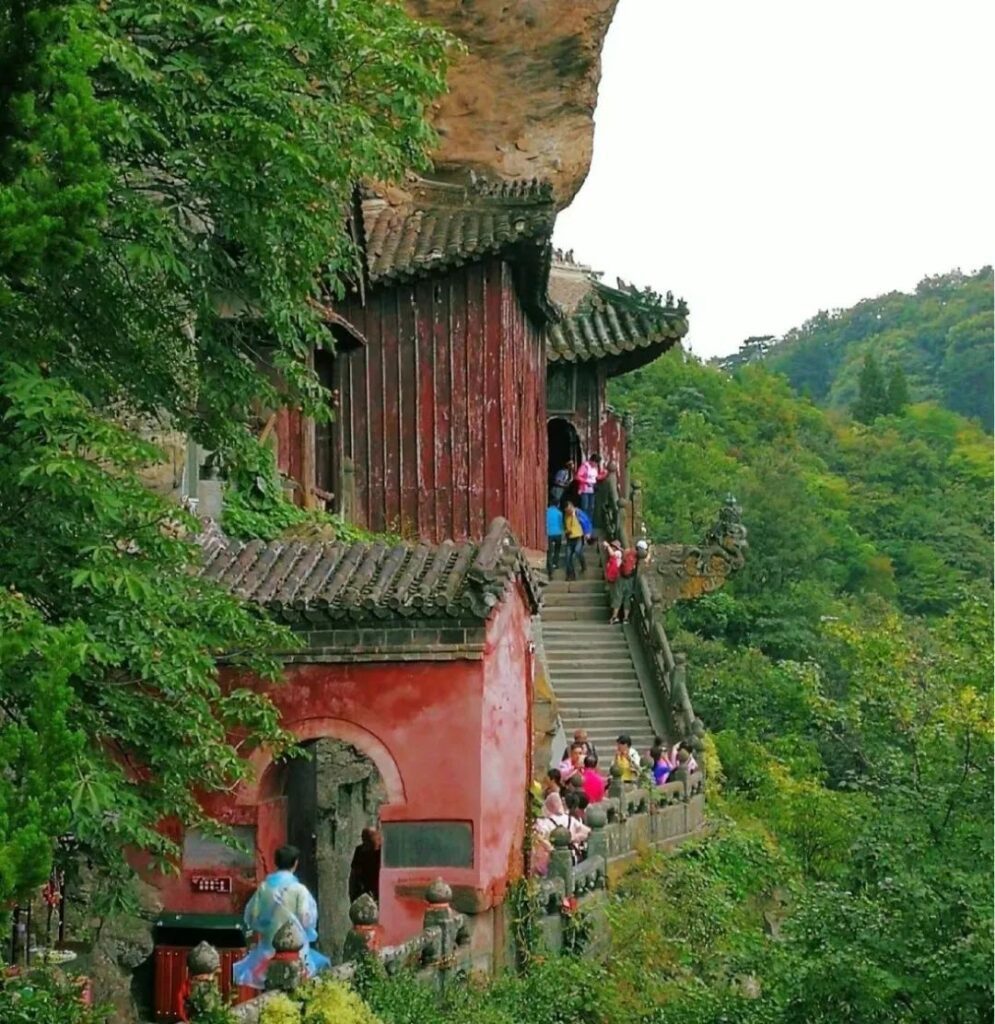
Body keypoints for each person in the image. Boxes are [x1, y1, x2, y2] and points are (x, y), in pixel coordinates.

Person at [233, 844, 330, 989]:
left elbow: (251, 916)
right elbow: (306, 919)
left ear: (276, 862)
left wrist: (266, 928)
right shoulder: (299, 890)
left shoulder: (264, 887)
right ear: (295, 863)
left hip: (266, 951)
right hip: (296, 950)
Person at [348, 827, 381, 904]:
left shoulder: (383, 852)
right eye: (364, 839)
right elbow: (354, 876)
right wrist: (353, 897)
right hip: (365, 895)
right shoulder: (360, 852)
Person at [563, 501, 586, 581]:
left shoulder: (578, 513)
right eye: (566, 510)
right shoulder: (566, 516)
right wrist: (567, 531)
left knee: (577, 551)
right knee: (568, 557)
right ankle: (571, 575)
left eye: (569, 509)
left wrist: (588, 532)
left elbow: (585, 521)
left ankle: (583, 564)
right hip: (570, 538)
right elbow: (567, 526)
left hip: (578, 536)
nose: (568, 511)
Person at [603, 540, 624, 624]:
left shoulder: (618, 553)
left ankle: (615, 616)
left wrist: (607, 546)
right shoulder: (611, 557)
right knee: (613, 596)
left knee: (616, 596)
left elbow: (612, 554)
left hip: (617, 578)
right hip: (612, 578)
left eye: (612, 546)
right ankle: (614, 616)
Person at [546, 497, 564, 578]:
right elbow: (561, 524)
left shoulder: (546, 511)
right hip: (558, 533)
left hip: (549, 533)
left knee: (549, 551)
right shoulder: (559, 513)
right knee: (557, 549)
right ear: (558, 504)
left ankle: (549, 565)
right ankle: (555, 563)